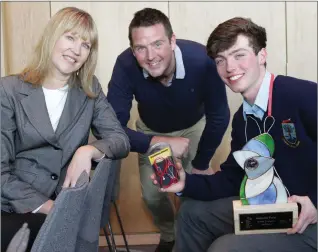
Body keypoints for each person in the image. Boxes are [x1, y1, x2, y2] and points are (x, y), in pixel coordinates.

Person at [151, 17, 317, 252]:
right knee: (191, 213)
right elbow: (233, 179)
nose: (229, 68)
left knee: (225, 248)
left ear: (262, 55)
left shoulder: (303, 95)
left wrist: (315, 200)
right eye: (221, 60)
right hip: (275, 210)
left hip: (310, 218)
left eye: (239, 55)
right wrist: (184, 182)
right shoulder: (242, 118)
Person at [1, 7, 130, 251]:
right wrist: (48, 207)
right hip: (12, 205)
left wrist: (87, 151)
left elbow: (120, 140)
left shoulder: (89, 90)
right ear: (52, 37)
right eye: (70, 37)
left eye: (86, 44)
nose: (76, 50)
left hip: (62, 206)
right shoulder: (8, 91)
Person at [107, 8, 230, 251]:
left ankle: (193, 237)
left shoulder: (202, 61)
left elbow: (219, 115)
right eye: (141, 48)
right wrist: (155, 141)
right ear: (133, 50)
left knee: (196, 192)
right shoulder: (125, 65)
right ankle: (169, 235)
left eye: (158, 44)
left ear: (172, 41)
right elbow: (112, 129)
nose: (151, 56)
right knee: (154, 195)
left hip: (194, 129)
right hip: (153, 133)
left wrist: (202, 162)